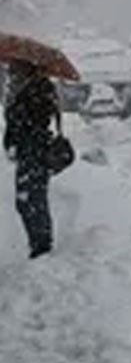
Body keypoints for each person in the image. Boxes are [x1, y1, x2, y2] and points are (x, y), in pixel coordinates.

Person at [3, 59, 60, 258]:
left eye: (14, 70)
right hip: (29, 152)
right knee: (27, 200)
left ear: (26, 69)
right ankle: (38, 243)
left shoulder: (39, 89)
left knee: (31, 200)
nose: (11, 74)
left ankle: (41, 245)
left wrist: (15, 109)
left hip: (35, 153)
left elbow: (32, 121)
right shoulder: (28, 90)